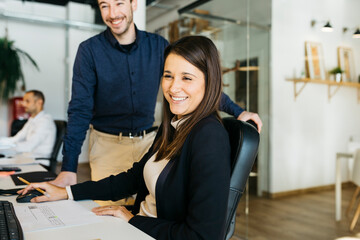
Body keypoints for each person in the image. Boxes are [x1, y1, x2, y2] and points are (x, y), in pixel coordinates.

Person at [21, 35, 232, 240]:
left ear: (209, 81)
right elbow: (133, 179)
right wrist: (67, 192)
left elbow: (203, 236)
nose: (173, 87)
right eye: (168, 76)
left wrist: (132, 220)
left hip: (141, 230)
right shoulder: (175, 126)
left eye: (186, 78)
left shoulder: (209, 137)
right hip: (136, 228)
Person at [53, 0, 262, 188]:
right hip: (107, 147)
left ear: (133, 3)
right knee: (107, 217)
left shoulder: (158, 46)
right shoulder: (89, 51)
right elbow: (80, 109)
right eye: (104, 5)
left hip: (150, 145)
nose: (112, 13)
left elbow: (196, 86)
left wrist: (238, 112)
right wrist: (69, 167)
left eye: (118, 3)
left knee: (146, 216)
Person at [0, 90, 56, 158]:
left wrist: (4, 149)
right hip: (26, 158)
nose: (23, 104)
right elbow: (15, 139)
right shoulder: (32, 120)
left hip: (38, 163)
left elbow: (28, 146)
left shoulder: (45, 122)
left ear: (39, 102)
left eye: (27, 101)